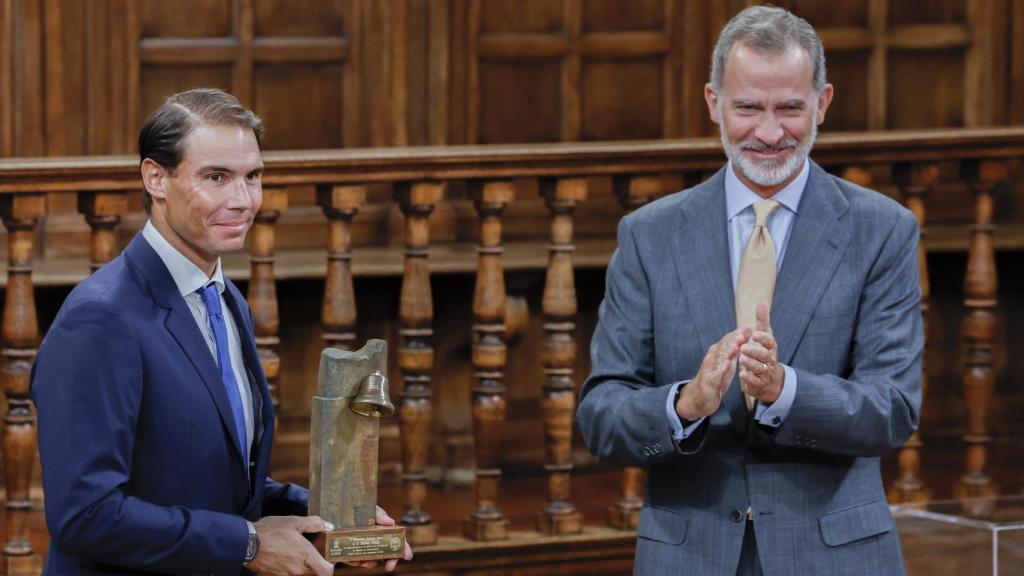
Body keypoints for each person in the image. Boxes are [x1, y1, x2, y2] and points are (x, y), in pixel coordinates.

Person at [576, 6, 922, 576]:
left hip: (837, 556)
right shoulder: (649, 235)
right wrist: (686, 405)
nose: (768, 132)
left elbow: (893, 409)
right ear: (713, 103)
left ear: (823, 103)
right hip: (690, 556)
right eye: (747, 108)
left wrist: (785, 390)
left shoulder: (882, 229)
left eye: (790, 107)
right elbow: (601, 415)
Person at [31, 88, 412, 575]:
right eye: (216, 177)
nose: (243, 200)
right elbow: (85, 515)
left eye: (252, 177)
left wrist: (335, 521)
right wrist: (248, 544)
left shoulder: (225, 298)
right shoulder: (100, 318)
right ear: (156, 178)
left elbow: (217, 478)